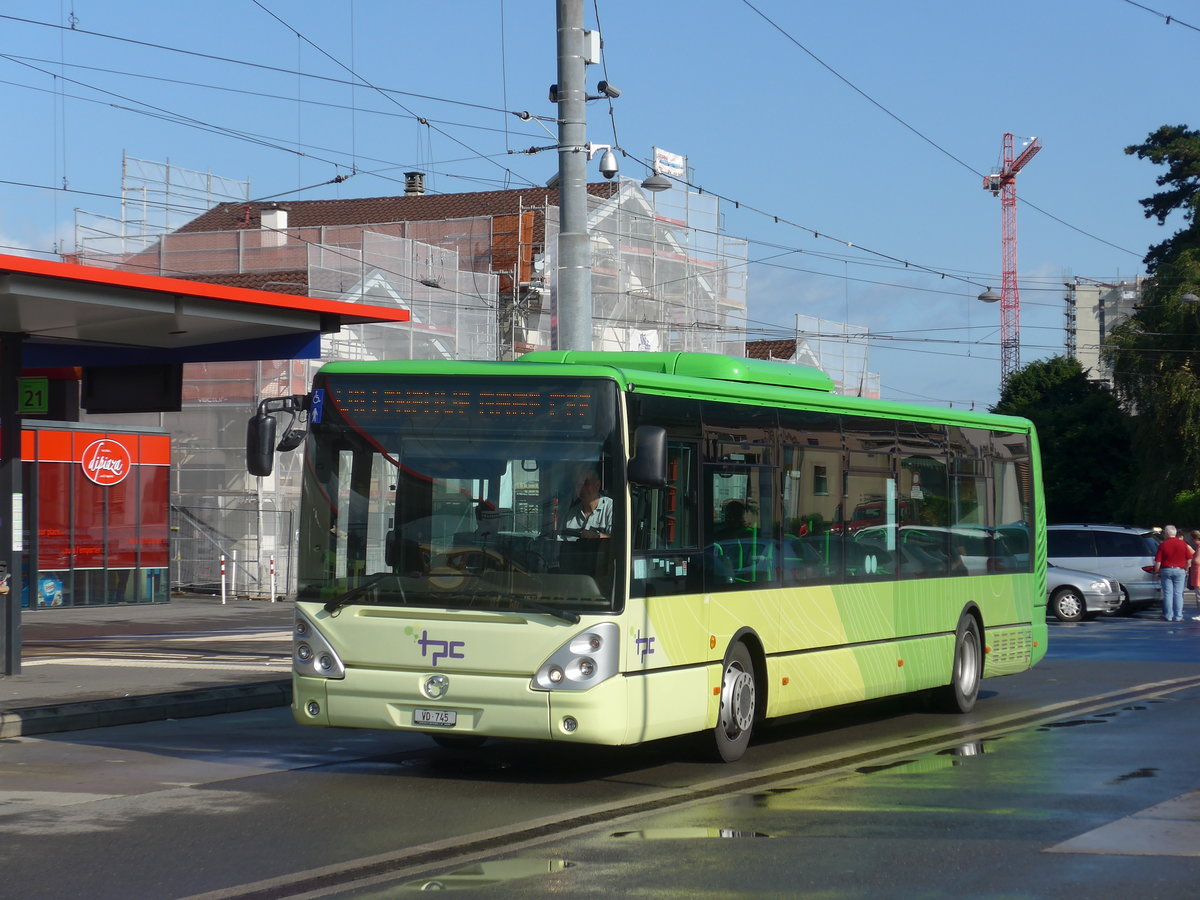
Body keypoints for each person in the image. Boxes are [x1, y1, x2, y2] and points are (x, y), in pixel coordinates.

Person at [1153, 524, 1194, 622]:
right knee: (1178, 594)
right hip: (1180, 570)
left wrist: (1156, 572)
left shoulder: (1163, 545)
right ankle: (1178, 616)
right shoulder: (1183, 544)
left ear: (1167, 533)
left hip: (1166, 570)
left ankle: (1168, 615)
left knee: (1168, 594)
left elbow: (1158, 561)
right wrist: (1187, 569)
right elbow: (1189, 559)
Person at [560, 467, 612, 540]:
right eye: (578, 484)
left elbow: (621, 539)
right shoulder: (570, 514)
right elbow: (560, 541)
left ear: (597, 485)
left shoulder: (611, 507)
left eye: (586, 483)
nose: (581, 488)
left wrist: (597, 536)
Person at [1190, 530, 1200, 621]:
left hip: (1198, 574)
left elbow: (1197, 560)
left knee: (1199, 595)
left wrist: (1192, 560)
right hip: (1197, 574)